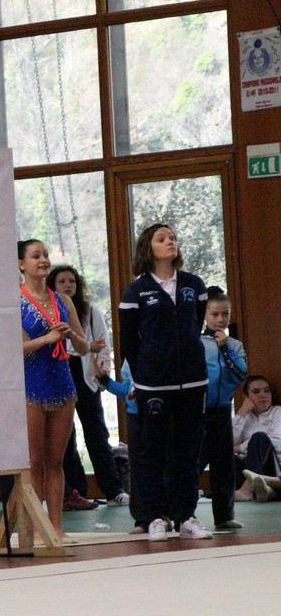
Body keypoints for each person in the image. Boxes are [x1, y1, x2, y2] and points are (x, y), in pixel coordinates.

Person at [118, 223, 212, 541]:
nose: (170, 241)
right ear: (149, 248)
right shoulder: (136, 291)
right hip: (153, 385)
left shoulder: (193, 285)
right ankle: (155, 516)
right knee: (151, 452)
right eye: (162, 238)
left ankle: (186, 515)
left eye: (172, 237)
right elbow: (129, 341)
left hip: (192, 382)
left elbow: (194, 324)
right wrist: (143, 374)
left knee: (188, 452)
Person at [18, 240, 90, 536]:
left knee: (56, 461)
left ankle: (56, 527)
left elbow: (84, 348)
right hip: (32, 386)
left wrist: (71, 334)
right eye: (36, 256)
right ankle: (37, 528)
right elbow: (14, 349)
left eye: (46, 255)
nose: (44, 260)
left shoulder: (63, 300)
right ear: (22, 264)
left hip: (62, 386)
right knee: (34, 461)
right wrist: (46, 340)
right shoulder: (16, 301)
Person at [48, 264, 129, 510]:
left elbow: (101, 345)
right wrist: (86, 345)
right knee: (66, 438)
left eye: (71, 281)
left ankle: (113, 490)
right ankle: (76, 491)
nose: (67, 285)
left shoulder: (91, 312)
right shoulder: (48, 313)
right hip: (60, 373)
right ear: (53, 286)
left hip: (86, 377)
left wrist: (102, 368)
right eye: (61, 281)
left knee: (96, 434)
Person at [197, 287, 248, 529]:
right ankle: (180, 512)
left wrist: (225, 348)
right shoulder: (196, 342)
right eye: (215, 314)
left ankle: (225, 515)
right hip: (198, 412)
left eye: (224, 314)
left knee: (224, 465)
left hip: (221, 411)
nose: (220, 319)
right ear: (205, 315)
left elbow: (240, 376)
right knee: (193, 463)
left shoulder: (235, 345)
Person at [97, 358, 149, 532]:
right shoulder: (129, 362)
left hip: (159, 414)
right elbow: (127, 390)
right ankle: (142, 519)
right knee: (137, 466)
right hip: (135, 416)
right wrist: (106, 381)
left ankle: (166, 514)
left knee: (160, 465)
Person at [234, 374, 281, 501]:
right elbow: (228, 443)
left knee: (259, 438)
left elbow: (275, 440)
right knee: (225, 454)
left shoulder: (278, 412)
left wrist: (239, 447)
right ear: (246, 397)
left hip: (272, 468)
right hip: (246, 469)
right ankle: (266, 491)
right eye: (256, 391)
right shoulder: (245, 418)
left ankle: (248, 490)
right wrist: (242, 412)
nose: (263, 395)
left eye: (267, 391)